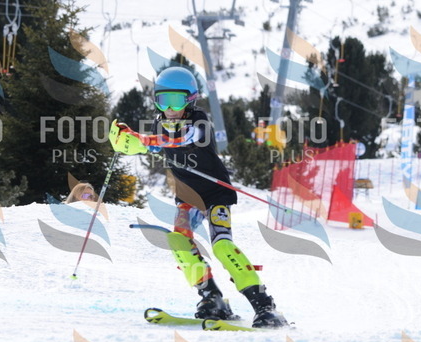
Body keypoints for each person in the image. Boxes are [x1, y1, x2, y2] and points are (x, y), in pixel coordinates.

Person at [108, 66, 288, 328]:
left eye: (177, 100)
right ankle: (211, 297)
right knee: (178, 242)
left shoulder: (199, 121)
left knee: (222, 246)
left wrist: (142, 141)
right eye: (163, 100)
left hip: (215, 194)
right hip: (187, 196)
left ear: (191, 100)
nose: (170, 108)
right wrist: (125, 141)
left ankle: (264, 305)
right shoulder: (160, 123)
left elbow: (182, 139)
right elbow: (157, 143)